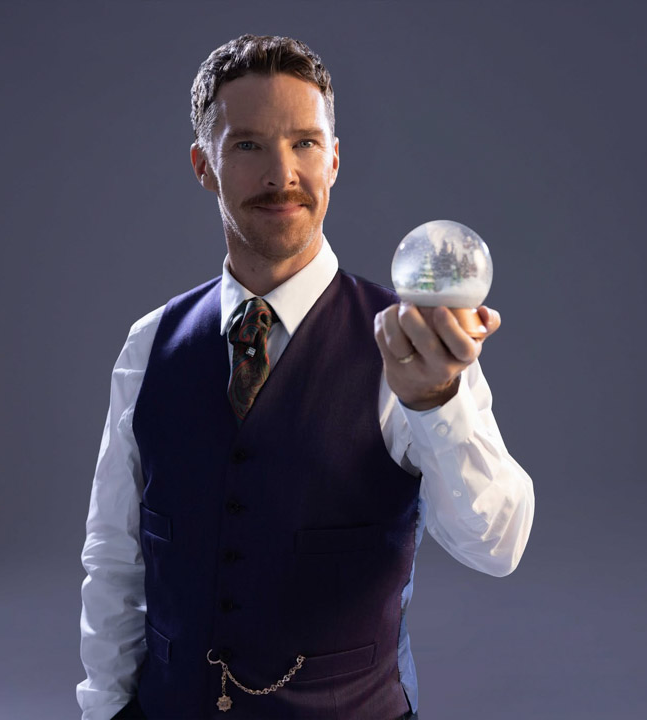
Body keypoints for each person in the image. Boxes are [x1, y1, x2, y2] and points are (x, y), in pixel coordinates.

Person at [77, 34, 534, 720]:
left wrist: (438, 403)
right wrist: (104, 710)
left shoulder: (410, 347)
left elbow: (497, 544)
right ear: (204, 166)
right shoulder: (150, 345)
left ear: (334, 159)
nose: (281, 173)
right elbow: (114, 561)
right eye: (248, 145)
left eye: (304, 143)